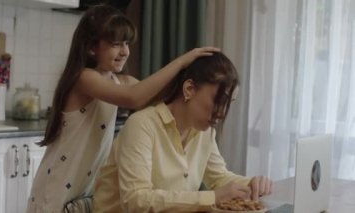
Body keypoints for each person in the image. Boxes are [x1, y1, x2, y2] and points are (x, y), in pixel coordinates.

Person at [26, 4, 219, 213]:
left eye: (126, 43)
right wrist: (182, 61)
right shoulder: (84, 78)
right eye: (116, 44)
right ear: (92, 47)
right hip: (58, 187)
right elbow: (134, 98)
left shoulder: (119, 81)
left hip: (84, 192)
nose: (125, 51)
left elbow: (158, 95)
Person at [93, 52, 273, 213]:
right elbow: (136, 201)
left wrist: (250, 185)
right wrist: (212, 198)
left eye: (229, 103)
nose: (222, 113)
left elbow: (219, 178)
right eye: (219, 100)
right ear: (189, 89)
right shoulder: (141, 126)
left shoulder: (204, 132)